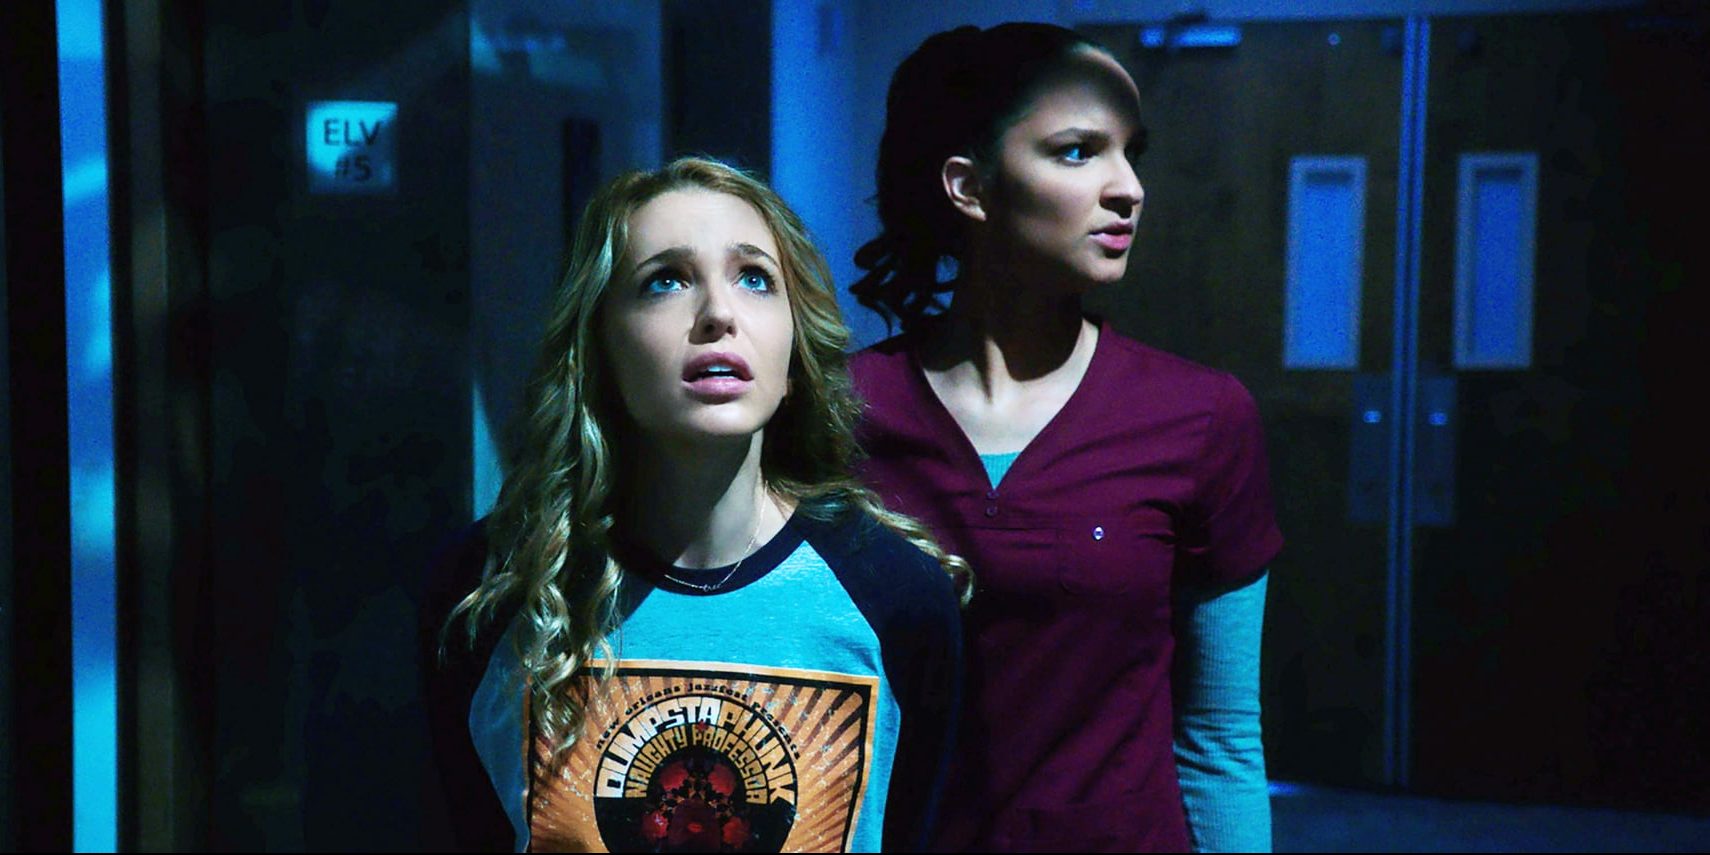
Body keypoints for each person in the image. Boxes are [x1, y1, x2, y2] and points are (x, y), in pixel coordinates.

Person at [421, 157, 967, 853]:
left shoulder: (897, 594)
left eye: (755, 278)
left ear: (795, 349)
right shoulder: (490, 589)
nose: (718, 314)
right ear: (599, 345)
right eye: (666, 280)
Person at [848, 23, 1283, 853]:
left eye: (1132, 153)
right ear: (969, 187)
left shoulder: (1200, 417)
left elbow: (1220, 735)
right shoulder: (841, 413)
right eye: (1078, 152)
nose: (1129, 189)